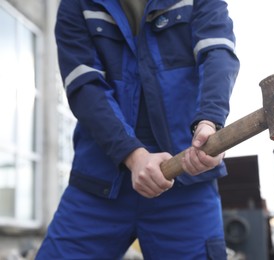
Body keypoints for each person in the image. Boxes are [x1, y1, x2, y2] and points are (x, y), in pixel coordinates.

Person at [36, 0, 240, 259]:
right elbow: (85, 85)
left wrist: (209, 123)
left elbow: (217, 54)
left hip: (185, 180)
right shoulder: (77, 4)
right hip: (100, 182)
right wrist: (134, 155)